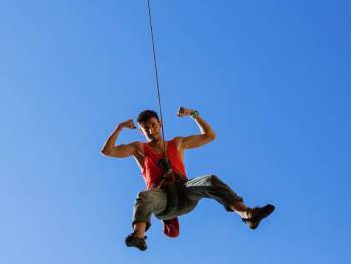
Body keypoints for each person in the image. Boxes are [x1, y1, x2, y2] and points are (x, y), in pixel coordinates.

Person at [100, 107, 275, 251]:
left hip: (185, 191)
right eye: (146, 128)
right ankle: (138, 236)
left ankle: (247, 214)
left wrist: (194, 115)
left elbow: (210, 136)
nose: (150, 130)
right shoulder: (139, 148)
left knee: (210, 179)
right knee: (144, 196)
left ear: (160, 124)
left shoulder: (177, 143)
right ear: (141, 130)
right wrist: (119, 127)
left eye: (153, 125)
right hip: (163, 200)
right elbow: (107, 151)